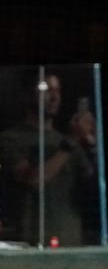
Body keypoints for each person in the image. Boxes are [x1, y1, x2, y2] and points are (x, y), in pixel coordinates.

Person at [0, 72, 96, 246]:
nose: (53, 97)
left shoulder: (67, 140)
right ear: (26, 95)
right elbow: (34, 179)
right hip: (30, 241)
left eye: (57, 91)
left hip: (70, 240)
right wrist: (71, 142)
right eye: (45, 89)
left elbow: (91, 187)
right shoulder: (10, 139)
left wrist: (92, 144)